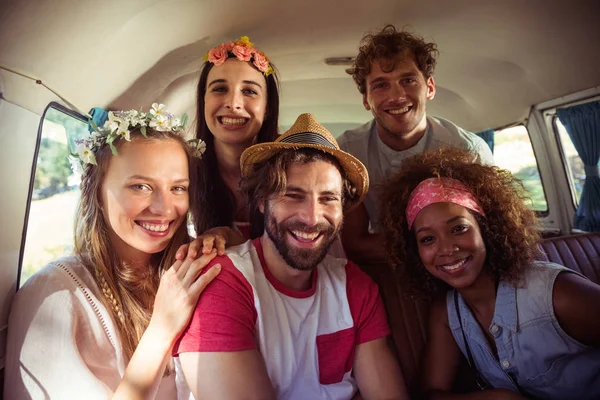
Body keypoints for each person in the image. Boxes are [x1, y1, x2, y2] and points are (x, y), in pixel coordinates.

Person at [174, 113, 408, 400]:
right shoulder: (225, 282)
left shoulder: (354, 286)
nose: (311, 218)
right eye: (293, 195)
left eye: (328, 198)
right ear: (262, 200)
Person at [5, 105, 221, 399]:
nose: (164, 208)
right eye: (141, 186)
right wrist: (161, 328)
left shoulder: (189, 268)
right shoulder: (54, 295)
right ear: (94, 190)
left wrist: (227, 235)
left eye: (178, 188)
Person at [380, 147, 600, 400]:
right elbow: (432, 393)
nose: (447, 248)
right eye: (428, 239)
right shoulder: (448, 312)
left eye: (459, 228)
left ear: (487, 229)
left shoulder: (557, 294)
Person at [338, 25, 494, 265]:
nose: (397, 96)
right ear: (366, 100)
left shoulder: (468, 150)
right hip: (384, 267)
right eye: (380, 85)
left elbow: (488, 231)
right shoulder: (348, 151)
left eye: (408, 80)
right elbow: (354, 242)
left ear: (429, 88)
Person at [190, 35, 280, 242]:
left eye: (249, 91)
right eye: (220, 89)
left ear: (267, 109)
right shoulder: (183, 172)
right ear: (203, 101)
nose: (233, 103)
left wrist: (235, 242)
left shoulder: (289, 171)